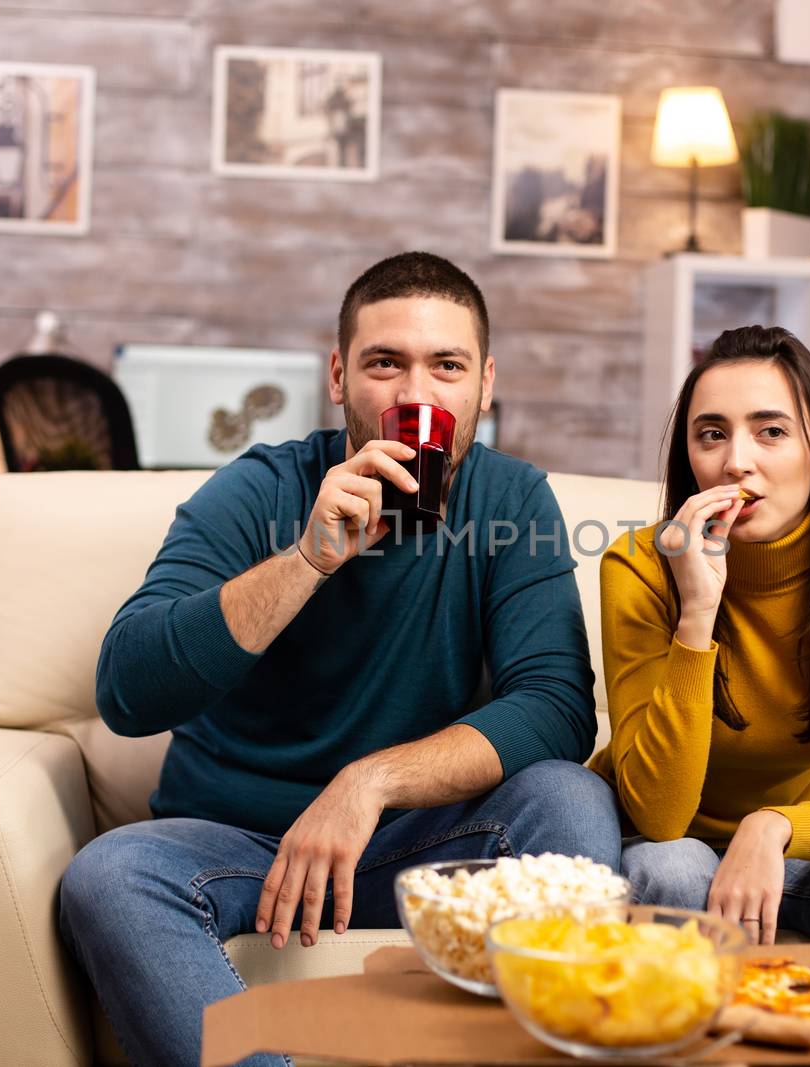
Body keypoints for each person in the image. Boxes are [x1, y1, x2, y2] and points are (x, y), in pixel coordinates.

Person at [58, 251, 619, 1067]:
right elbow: (127, 692)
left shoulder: (511, 499)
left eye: (447, 367)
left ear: (485, 385)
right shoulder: (260, 490)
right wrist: (308, 560)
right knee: (108, 877)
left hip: (419, 846)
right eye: (385, 363)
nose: (416, 396)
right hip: (244, 847)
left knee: (570, 799)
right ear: (338, 375)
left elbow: (557, 705)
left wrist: (368, 782)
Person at [590, 325, 810, 945]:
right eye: (712, 434)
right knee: (675, 869)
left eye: (770, 431)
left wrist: (772, 827)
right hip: (665, 841)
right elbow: (659, 815)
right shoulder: (640, 564)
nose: (735, 461)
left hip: (789, 845)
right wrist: (698, 609)